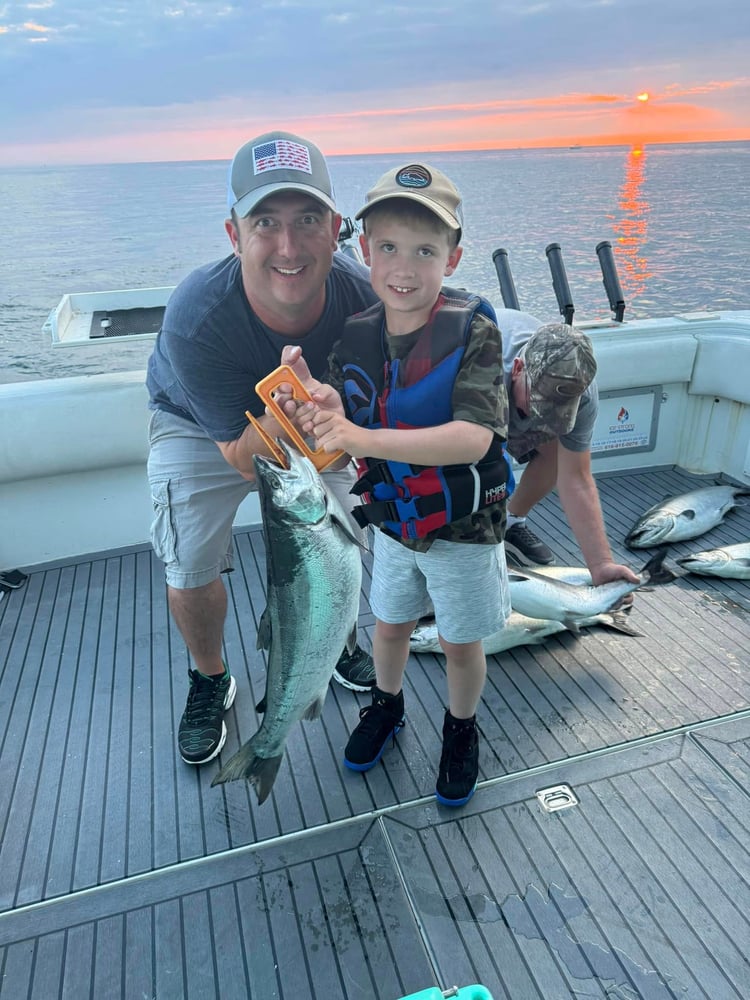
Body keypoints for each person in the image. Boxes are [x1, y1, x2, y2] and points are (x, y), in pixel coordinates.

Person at [281, 163, 513, 807]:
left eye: (424, 251)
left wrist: (363, 441)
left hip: (465, 530)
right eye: (387, 247)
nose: (403, 267)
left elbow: (475, 438)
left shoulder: (476, 332)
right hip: (393, 525)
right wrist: (316, 398)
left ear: (453, 256)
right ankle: (386, 706)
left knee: (461, 643)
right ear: (363, 250)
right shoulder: (356, 334)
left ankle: (461, 730)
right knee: (388, 626)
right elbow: (344, 414)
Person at [145, 130, 379, 767]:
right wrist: (291, 408)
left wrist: (324, 408)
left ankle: (333, 641)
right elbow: (243, 459)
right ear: (233, 234)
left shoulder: (364, 300)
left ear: (337, 229)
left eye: (307, 220)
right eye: (264, 223)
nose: (287, 246)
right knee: (189, 562)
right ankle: (210, 675)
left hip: (313, 417)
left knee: (344, 537)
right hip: (201, 427)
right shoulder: (197, 315)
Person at [498, 308, 639, 587]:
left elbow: (576, 477)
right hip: (470, 412)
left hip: (514, 389)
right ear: (517, 370)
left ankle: (510, 521)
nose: (544, 417)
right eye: (540, 405)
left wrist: (601, 565)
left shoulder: (581, 390)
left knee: (556, 450)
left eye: (558, 410)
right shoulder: (479, 374)